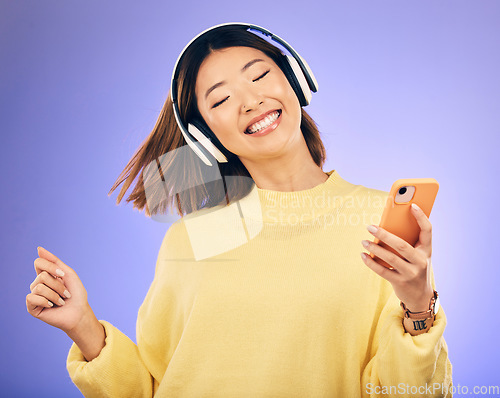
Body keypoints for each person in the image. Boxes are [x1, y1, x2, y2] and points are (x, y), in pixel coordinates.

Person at [26, 23, 452, 397]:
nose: (250, 101)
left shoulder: (381, 221)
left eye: (260, 75)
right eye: (220, 99)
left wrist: (418, 308)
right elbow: (148, 388)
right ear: (205, 136)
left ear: (295, 81)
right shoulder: (191, 238)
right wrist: (83, 324)